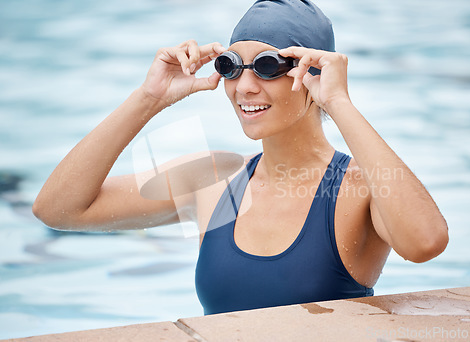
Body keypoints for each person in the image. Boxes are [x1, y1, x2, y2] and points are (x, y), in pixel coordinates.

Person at [33, 0, 448, 315]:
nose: (244, 86)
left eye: (268, 66)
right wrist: (149, 99)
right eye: (231, 66)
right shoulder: (216, 180)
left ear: (313, 70)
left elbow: (425, 243)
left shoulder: (356, 186)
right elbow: (58, 209)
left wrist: (338, 101)